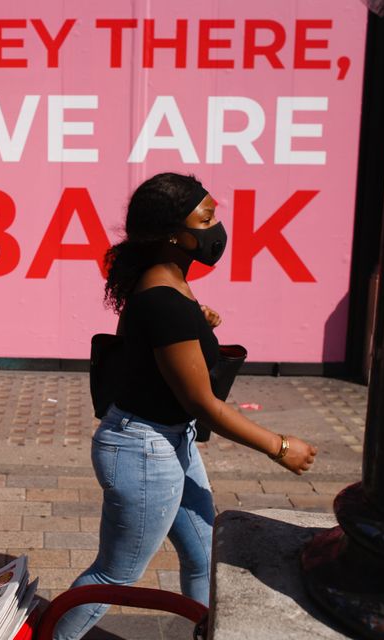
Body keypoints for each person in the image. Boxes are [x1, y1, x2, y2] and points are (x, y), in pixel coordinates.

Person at [53, 173, 318, 639]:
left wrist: (200, 317)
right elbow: (203, 403)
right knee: (115, 576)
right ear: (174, 233)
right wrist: (279, 447)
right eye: (207, 218)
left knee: (202, 557)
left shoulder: (171, 285)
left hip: (171, 442)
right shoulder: (165, 300)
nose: (217, 228)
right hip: (144, 450)